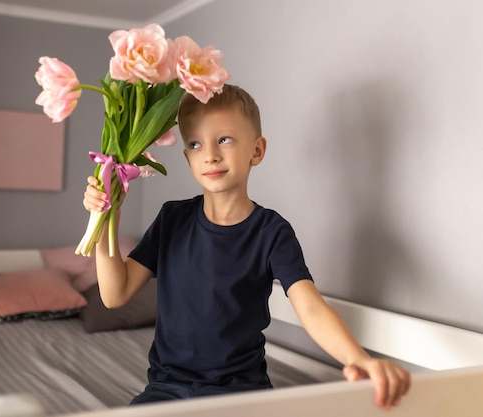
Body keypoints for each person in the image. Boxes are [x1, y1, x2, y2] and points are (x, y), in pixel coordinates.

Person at [82, 84, 411, 411]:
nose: (210, 154)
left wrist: (359, 359)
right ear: (187, 157)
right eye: (195, 144)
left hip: (241, 393)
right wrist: (106, 219)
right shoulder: (172, 219)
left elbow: (310, 307)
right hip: (167, 389)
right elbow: (115, 295)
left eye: (224, 139)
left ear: (256, 150)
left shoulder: (272, 232)